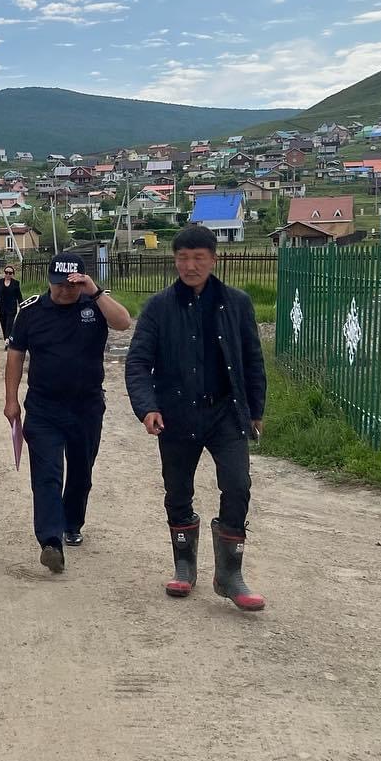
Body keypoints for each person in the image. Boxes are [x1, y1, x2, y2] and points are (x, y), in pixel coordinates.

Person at [124, 224, 267, 611]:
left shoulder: (237, 303)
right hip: (176, 415)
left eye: (198, 258)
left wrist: (255, 410)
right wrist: (147, 407)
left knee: (237, 485)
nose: (190, 266)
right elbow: (138, 362)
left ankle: (230, 574)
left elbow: (252, 360)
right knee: (177, 491)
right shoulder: (158, 307)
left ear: (213, 260)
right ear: (175, 261)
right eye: (183, 258)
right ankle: (184, 566)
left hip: (225, 413)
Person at [4, 252, 131, 574]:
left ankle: (72, 522)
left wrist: (95, 291)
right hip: (44, 407)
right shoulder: (31, 311)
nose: (65, 291)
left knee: (80, 471)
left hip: (86, 406)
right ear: (50, 281)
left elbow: (124, 322)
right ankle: (50, 541)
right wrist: (11, 400)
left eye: (72, 285)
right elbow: (16, 355)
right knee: (46, 473)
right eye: (60, 284)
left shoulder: (95, 305)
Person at [0, 263, 24, 341]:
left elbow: (19, 296)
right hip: (1, 308)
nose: (8, 274)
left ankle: (7, 341)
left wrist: (22, 306)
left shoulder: (16, 283)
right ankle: (6, 339)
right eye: (6, 272)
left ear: (13, 274)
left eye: (10, 273)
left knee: (9, 326)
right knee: (4, 326)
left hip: (11, 309)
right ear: (4, 273)